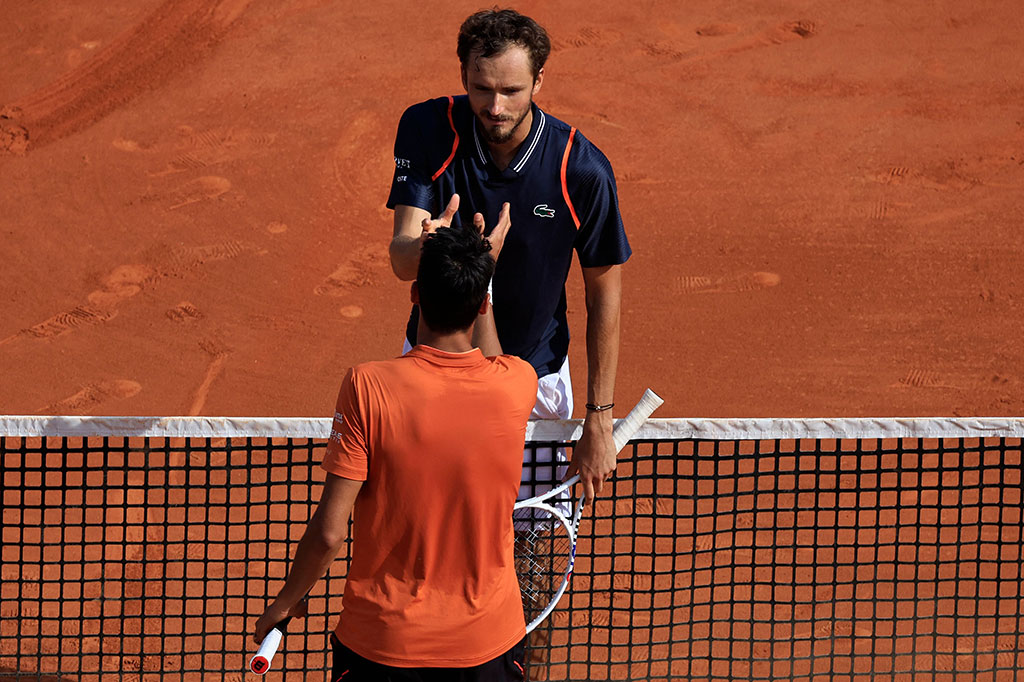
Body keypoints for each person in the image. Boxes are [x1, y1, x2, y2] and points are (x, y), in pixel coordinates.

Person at [254, 215, 539, 681]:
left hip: (383, 647)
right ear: (483, 305)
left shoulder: (367, 386)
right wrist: (483, 272)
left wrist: (285, 601)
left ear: (415, 295)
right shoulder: (517, 384)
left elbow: (328, 533)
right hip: (489, 647)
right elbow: (492, 359)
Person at [387, 9, 631, 501]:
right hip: (436, 369)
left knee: (527, 536)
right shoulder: (427, 128)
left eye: (511, 91)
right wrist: (429, 248)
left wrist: (599, 418)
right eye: (481, 88)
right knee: (428, 522)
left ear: (539, 81)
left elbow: (604, 294)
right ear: (463, 75)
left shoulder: (581, 171)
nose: (495, 107)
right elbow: (401, 260)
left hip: (536, 380)